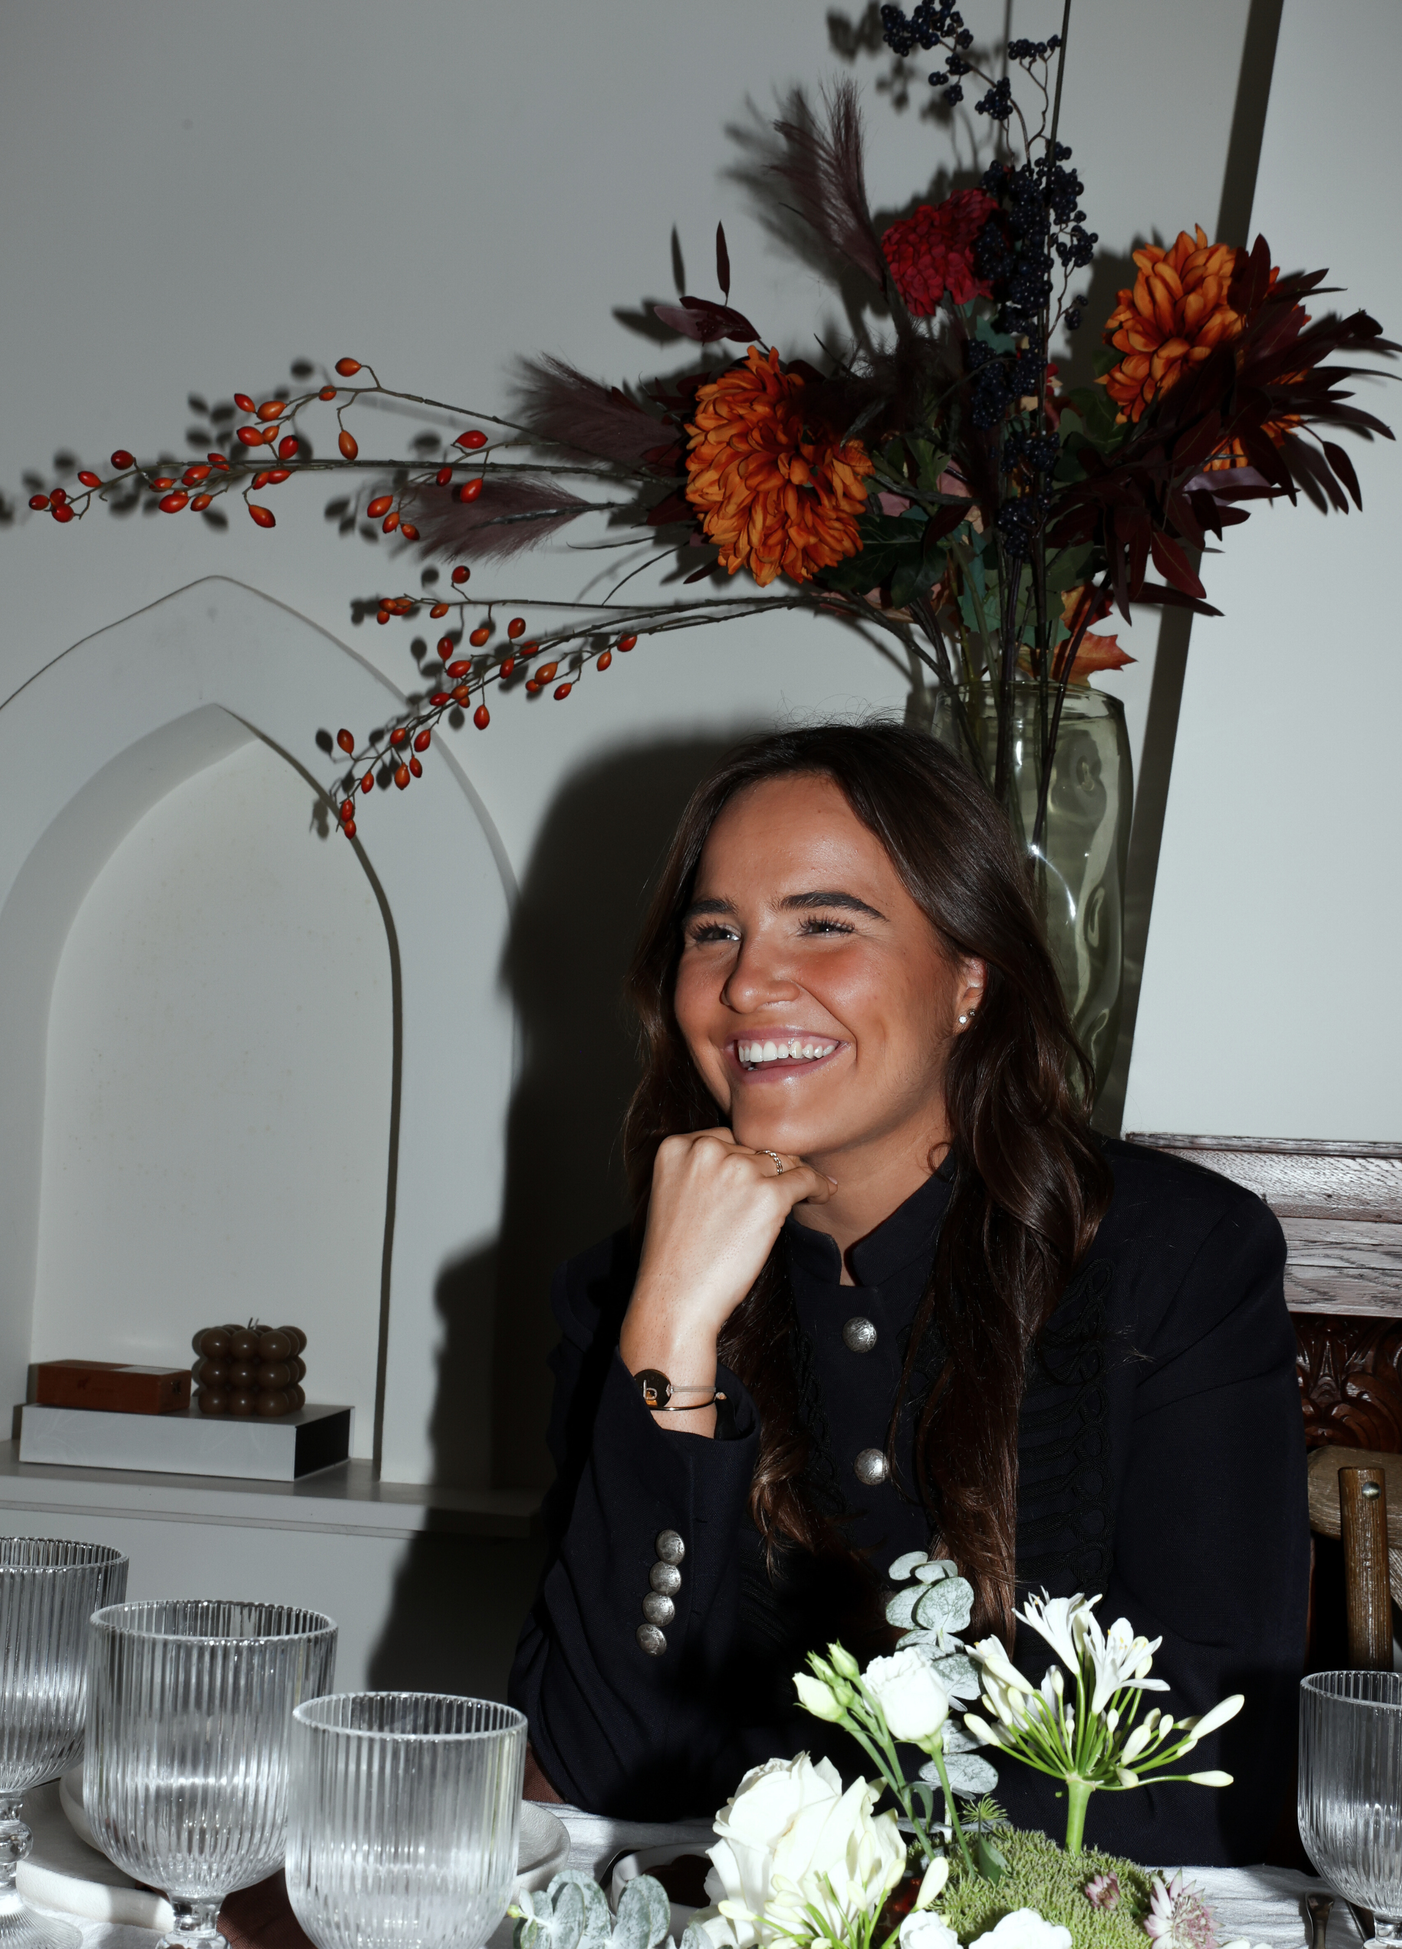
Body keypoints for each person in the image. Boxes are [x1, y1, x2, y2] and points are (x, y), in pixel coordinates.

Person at [508, 722, 1309, 1863]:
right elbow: (593, 1765)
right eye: (713, 932)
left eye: (824, 923)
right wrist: (672, 1338)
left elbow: (1210, 1764)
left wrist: (806, 1831)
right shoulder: (624, 1304)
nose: (747, 983)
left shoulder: (1174, 1260)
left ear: (969, 977)